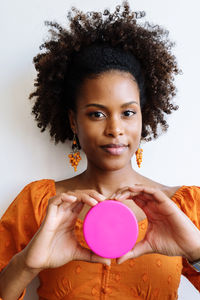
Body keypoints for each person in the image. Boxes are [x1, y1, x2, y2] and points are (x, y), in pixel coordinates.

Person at [0, 1, 200, 299]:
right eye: (97, 114)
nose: (115, 129)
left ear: (143, 117)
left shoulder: (185, 207)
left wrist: (196, 251)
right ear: (73, 120)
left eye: (128, 113)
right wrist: (28, 263)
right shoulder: (41, 204)